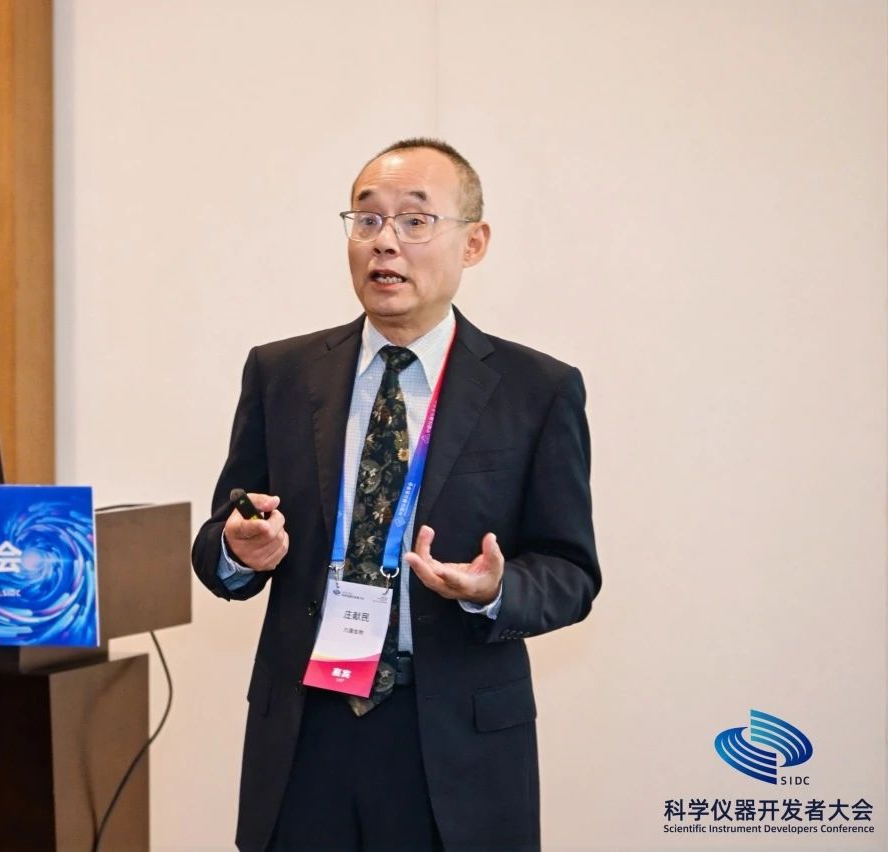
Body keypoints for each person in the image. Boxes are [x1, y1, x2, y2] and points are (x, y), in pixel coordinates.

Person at [191, 138, 600, 852]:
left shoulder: (538, 390)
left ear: (473, 243)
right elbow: (222, 532)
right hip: (306, 734)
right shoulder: (281, 373)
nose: (385, 242)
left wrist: (493, 590)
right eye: (368, 219)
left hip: (452, 741)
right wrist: (237, 547)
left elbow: (571, 571)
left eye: (415, 221)